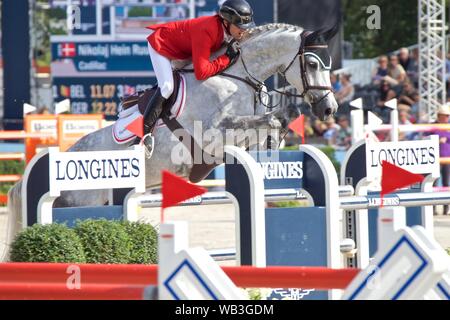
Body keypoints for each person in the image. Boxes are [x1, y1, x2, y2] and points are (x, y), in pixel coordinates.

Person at [143, 0, 255, 138]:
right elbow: (201, 73)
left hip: (183, 51)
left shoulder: (228, 31)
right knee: (167, 86)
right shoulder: (208, 30)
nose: (244, 30)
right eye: (240, 26)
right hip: (162, 44)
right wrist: (226, 59)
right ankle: (144, 134)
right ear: (226, 22)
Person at [430, 104, 450, 215]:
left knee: (446, 184)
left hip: (447, 158)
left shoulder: (449, 126)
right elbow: (424, 137)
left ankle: (446, 207)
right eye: (443, 115)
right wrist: (436, 141)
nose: (445, 118)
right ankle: (432, 208)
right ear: (439, 116)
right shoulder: (433, 126)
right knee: (433, 183)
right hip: (435, 159)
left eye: (447, 116)